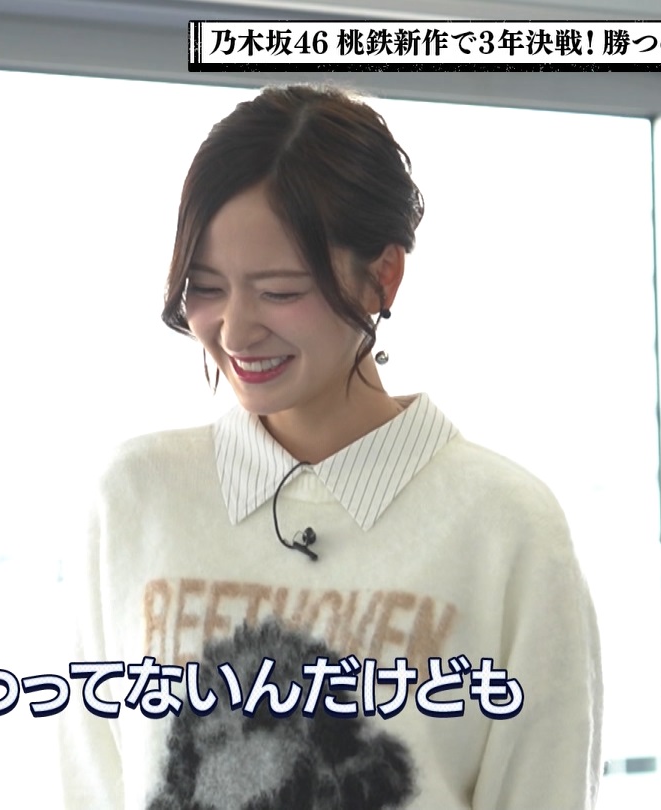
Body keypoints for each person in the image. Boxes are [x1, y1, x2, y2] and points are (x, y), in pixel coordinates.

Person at [59, 83, 602, 810]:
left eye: (280, 291)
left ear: (382, 276)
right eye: (207, 288)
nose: (235, 330)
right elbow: (85, 786)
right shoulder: (135, 498)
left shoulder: (506, 525)